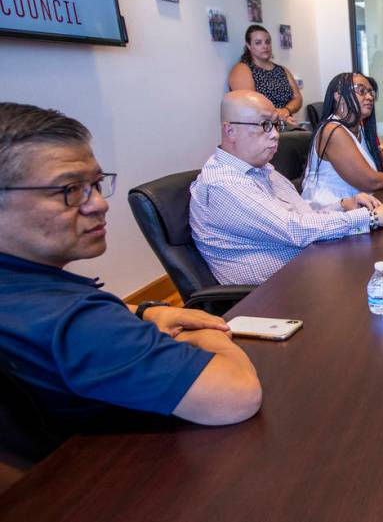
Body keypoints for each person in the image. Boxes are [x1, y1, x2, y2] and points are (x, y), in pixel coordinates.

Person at [0, 103, 262, 446]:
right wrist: (204, 336)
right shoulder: (75, 322)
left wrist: (144, 312)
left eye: (95, 184)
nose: (99, 204)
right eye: (69, 190)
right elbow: (237, 396)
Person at [190, 91, 383, 285]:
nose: (275, 134)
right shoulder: (223, 184)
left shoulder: (262, 169)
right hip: (271, 297)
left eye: (276, 125)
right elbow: (294, 229)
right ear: (230, 131)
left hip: (309, 270)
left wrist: (343, 206)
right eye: (265, 125)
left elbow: (302, 218)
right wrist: (371, 217)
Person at [302, 73, 383, 208]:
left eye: (371, 92)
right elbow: (370, 181)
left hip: (359, 205)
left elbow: (361, 162)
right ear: (339, 96)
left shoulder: (358, 128)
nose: (370, 97)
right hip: (330, 212)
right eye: (361, 91)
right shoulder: (333, 130)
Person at [228, 25, 303, 128]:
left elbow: (298, 98)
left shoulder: (282, 70)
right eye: (258, 43)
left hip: (285, 123)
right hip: (261, 129)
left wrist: (286, 110)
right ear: (249, 46)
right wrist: (278, 115)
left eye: (267, 42)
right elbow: (250, 105)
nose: (265, 46)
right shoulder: (242, 69)